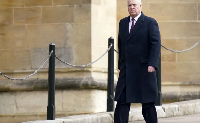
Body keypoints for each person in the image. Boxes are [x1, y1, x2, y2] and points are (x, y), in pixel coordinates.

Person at [114, 0, 161, 123]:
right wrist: (121, 65)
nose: (132, 7)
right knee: (121, 102)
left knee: (147, 104)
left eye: (134, 5)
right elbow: (121, 44)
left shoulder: (150, 22)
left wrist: (152, 64)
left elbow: (155, 44)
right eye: (129, 5)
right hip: (127, 69)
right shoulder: (123, 23)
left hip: (144, 69)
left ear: (140, 6)